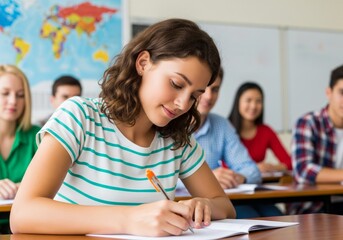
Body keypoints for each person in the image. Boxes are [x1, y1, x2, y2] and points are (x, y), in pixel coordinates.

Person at [10, 18, 235, 236]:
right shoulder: (79, 117)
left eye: (195, 96)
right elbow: (22, 214)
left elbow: (224, 206)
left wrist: (202, 205)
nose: (183, 104)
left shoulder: (177, 140)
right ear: (143, 63)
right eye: (176, 84)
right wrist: (129, 219)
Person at [194, 67, 283, 218]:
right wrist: (207, 180)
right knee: (250, 217)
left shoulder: (222, 125)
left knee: (277, 216)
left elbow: (251, 170)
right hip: (192, 204)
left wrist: (239, 177)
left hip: (223, 200)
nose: (208, 96)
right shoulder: (170, 126)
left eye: (215, 89)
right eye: (204, 88)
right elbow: (159, 179)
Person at [288, 64, 343, 214]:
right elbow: (303, 171)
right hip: (315, 208)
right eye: (342, 92)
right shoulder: (308, 122)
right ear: (329, 93)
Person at [0, 65, 40, 233]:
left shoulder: (38, 136)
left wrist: (27, 188)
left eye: (20, 95)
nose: (13, 101)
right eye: (5, 93)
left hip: (26, 229)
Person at [228, 82, 292, 173]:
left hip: (258, 184)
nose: (254, 106)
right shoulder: (225, 129)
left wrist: (271, 167)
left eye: (258, 101)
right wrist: (254, 168)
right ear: (238, 102)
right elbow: (221, 166)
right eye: (248, 100)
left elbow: (289, 162)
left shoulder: (266, 131)